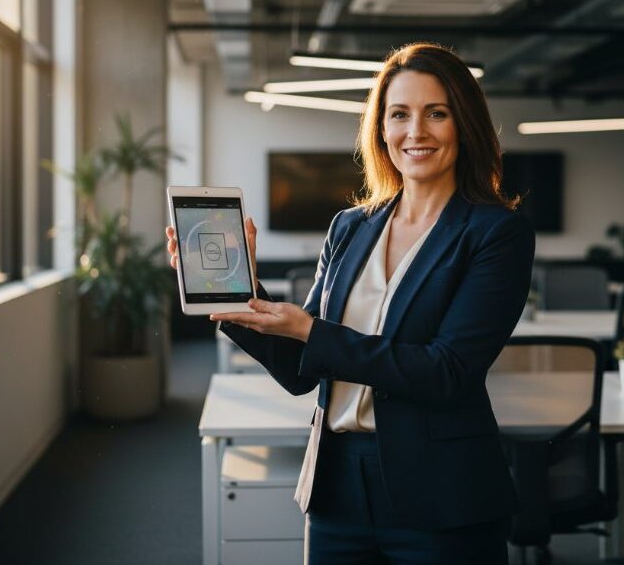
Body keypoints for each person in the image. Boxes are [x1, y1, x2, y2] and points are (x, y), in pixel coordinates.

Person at [167, 42, 535, 564]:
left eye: (437, 113)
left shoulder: (496, 233)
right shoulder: (352, 227)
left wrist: (311, 333)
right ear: (381, 128)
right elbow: (302, 368)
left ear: (465, 124)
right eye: (400, 114)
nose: (417, 132)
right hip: (338, 486)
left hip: (441, 492)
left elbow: (446, 371)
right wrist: (237, 293)